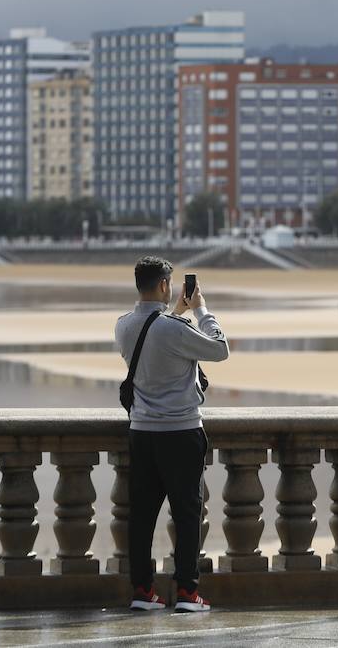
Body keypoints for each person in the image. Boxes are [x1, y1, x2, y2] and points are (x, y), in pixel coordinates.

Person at [115, 256, 229, 612]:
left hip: (142, 433)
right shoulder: (173, 328)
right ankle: (186, 592)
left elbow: (157, 344)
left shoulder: (123, 326)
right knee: (186, 514)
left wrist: (175, 314)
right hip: (181, 432)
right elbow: (219, 349)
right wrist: (202, 309)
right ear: (165, 285)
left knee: (142, 517)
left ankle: (143, 591)